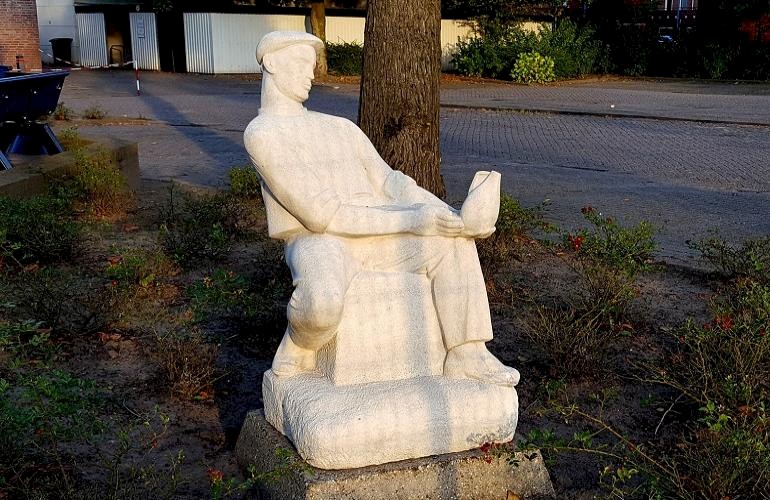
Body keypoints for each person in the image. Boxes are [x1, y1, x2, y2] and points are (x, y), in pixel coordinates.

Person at [244, 31, 519, 387]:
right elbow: (322, 217)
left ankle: (467, 353)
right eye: (302, 65)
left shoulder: (339, 128)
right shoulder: (263, 134)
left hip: (377, 231)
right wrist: (413, 219)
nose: (311, 76)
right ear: (272, 63)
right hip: (321, 241)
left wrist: (450, 216)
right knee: (322, 303)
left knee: (452, 244)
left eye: (312, 68)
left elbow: (391, 182)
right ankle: (298, 343)